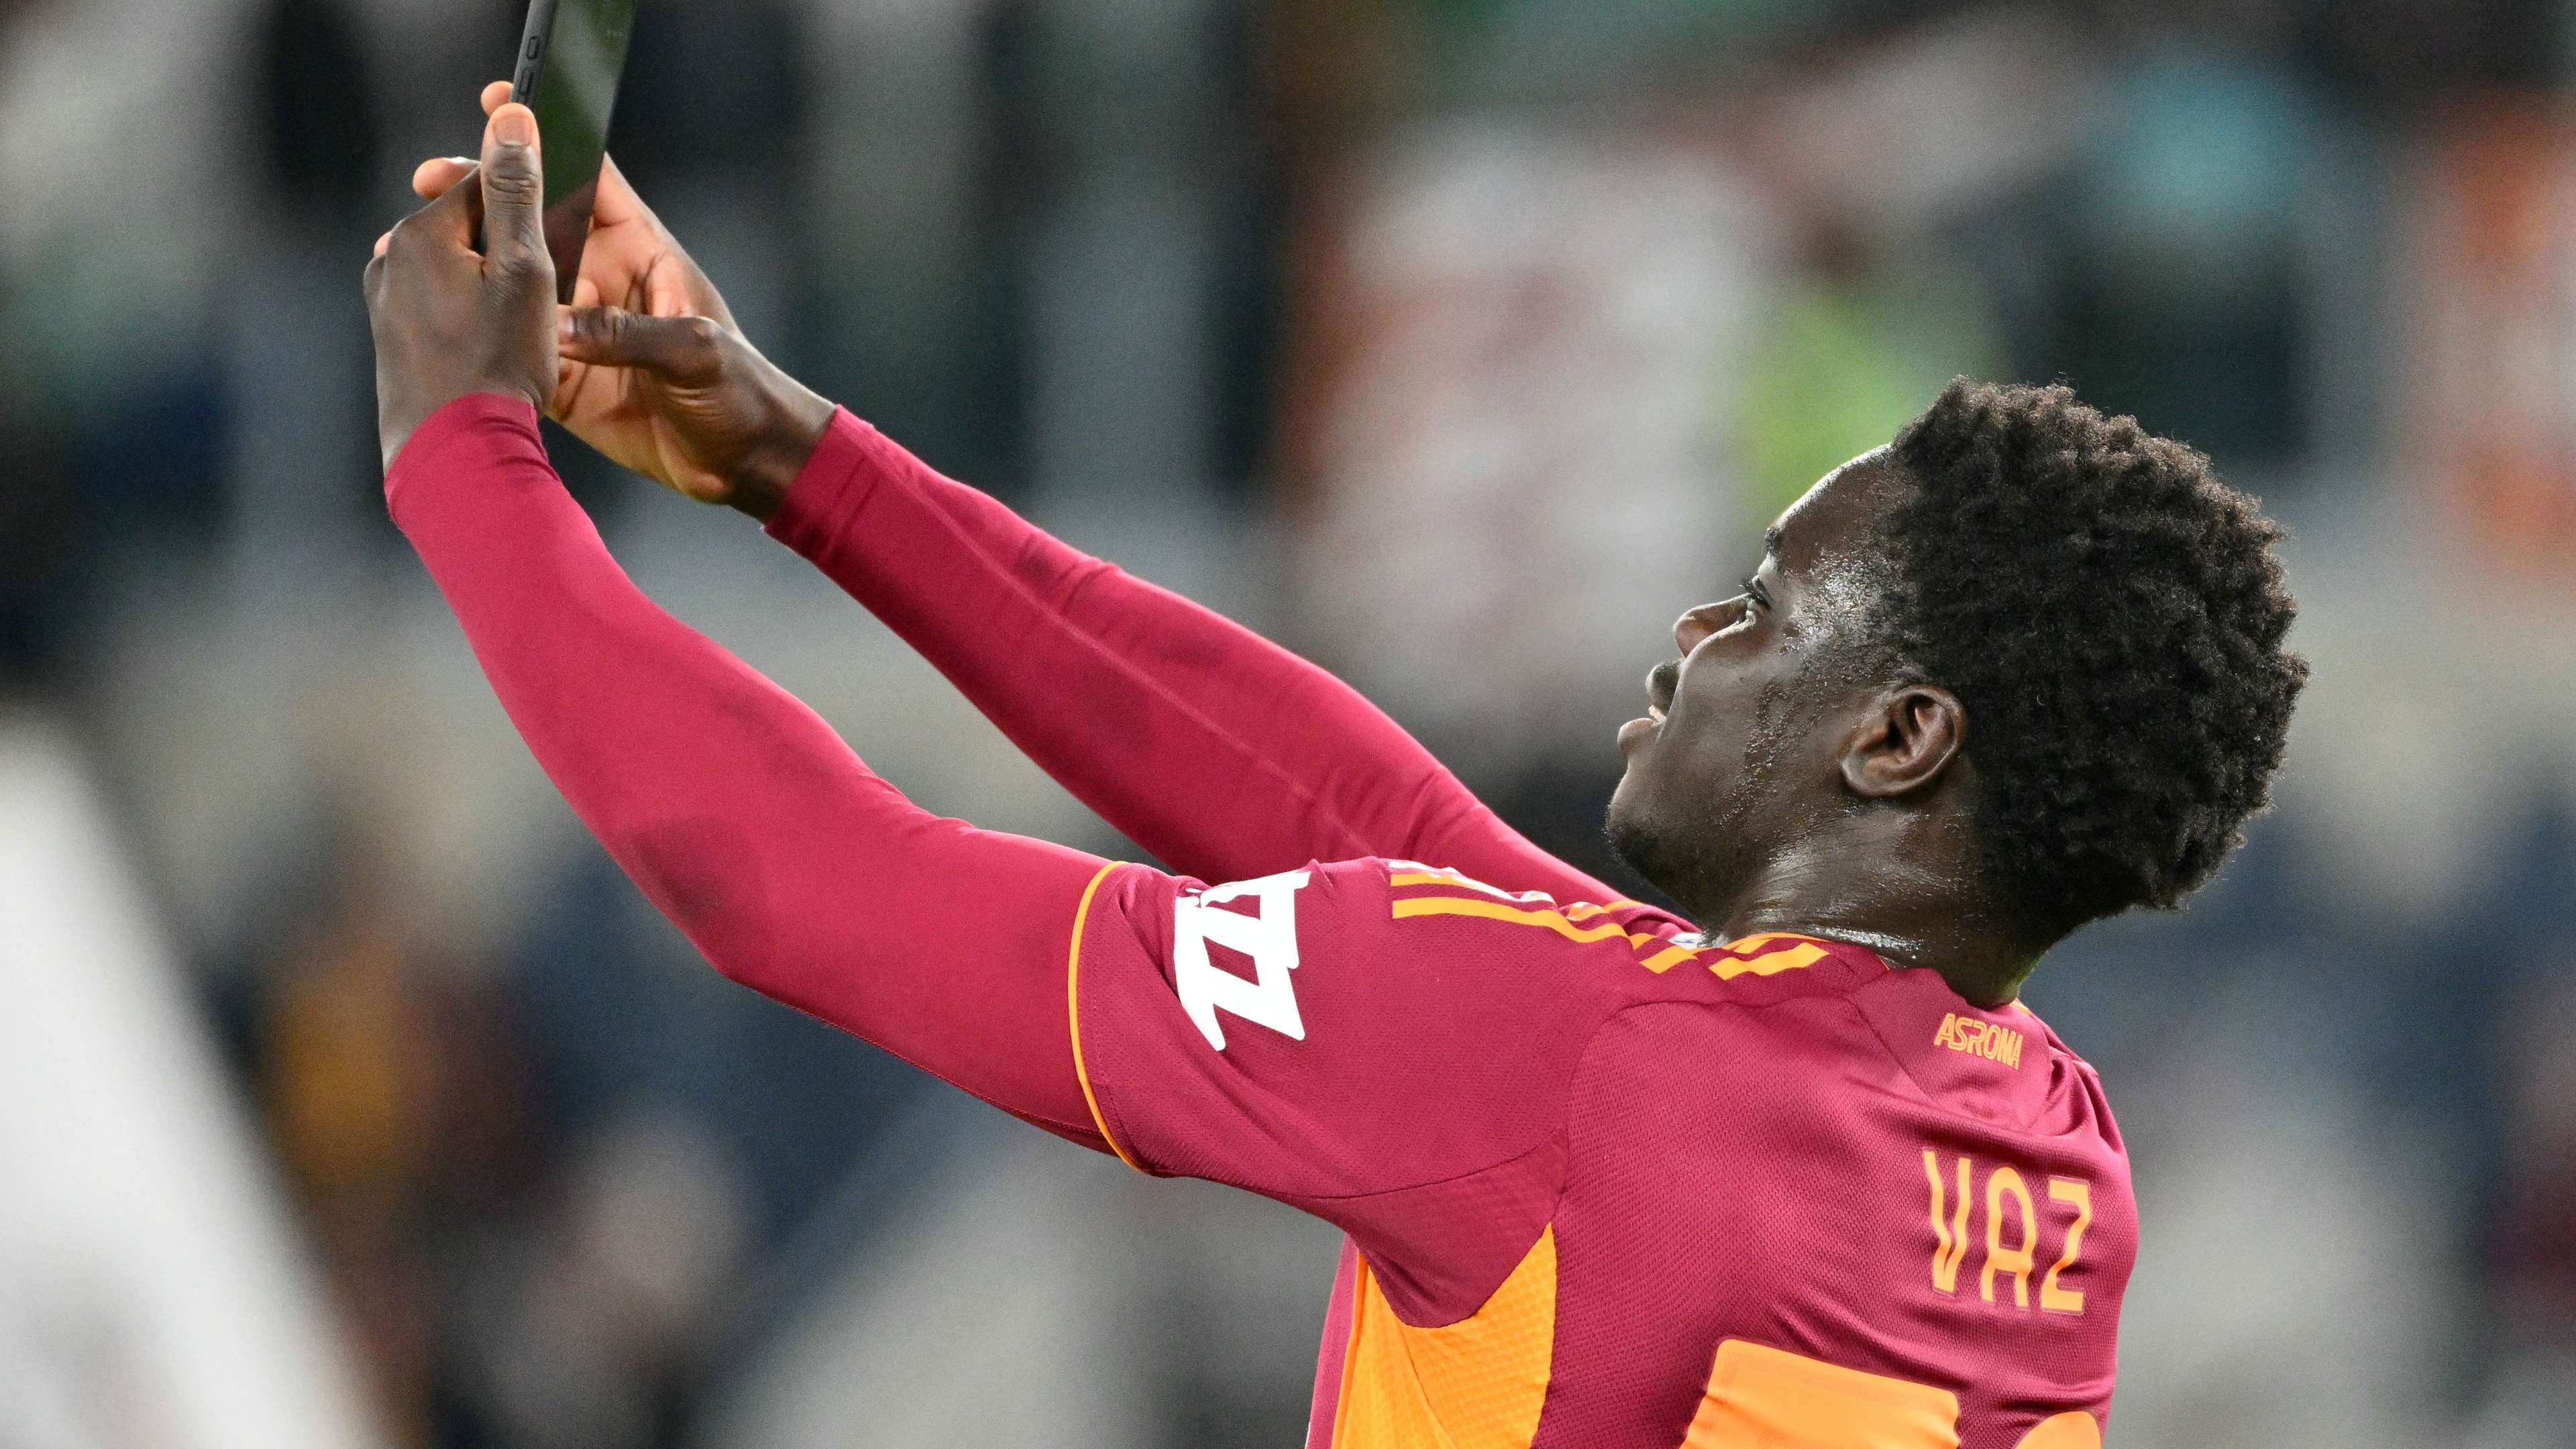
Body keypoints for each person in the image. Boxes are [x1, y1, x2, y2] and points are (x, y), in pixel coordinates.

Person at [368, 93, 2304, 1448]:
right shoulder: (2053, 1156)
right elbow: (1370, 823)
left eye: (1765, 607)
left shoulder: (1559, 1061)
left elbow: (791, 879)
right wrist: (797, 460)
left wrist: (466, 451)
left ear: (1899, 740)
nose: (1694, 635)